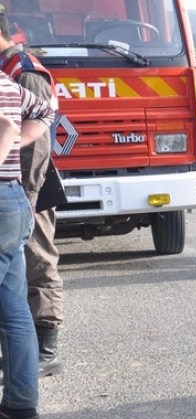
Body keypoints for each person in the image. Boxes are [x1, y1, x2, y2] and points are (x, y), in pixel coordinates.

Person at [0, 12, 64, 378]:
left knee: (39, 262)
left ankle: (46, 348)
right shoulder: (7, 66)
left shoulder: (24, 69)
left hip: (25, 185)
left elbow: (39, 137)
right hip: (12, 184)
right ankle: (19, 349)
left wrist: (28, 193)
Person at [0, 70, 56, 419]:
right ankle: (21, 403)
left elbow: (6, 124)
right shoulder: (6, 83)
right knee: (14, 307)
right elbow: (47, 110)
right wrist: (22, 139)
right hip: (13, 201)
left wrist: (12, 138)